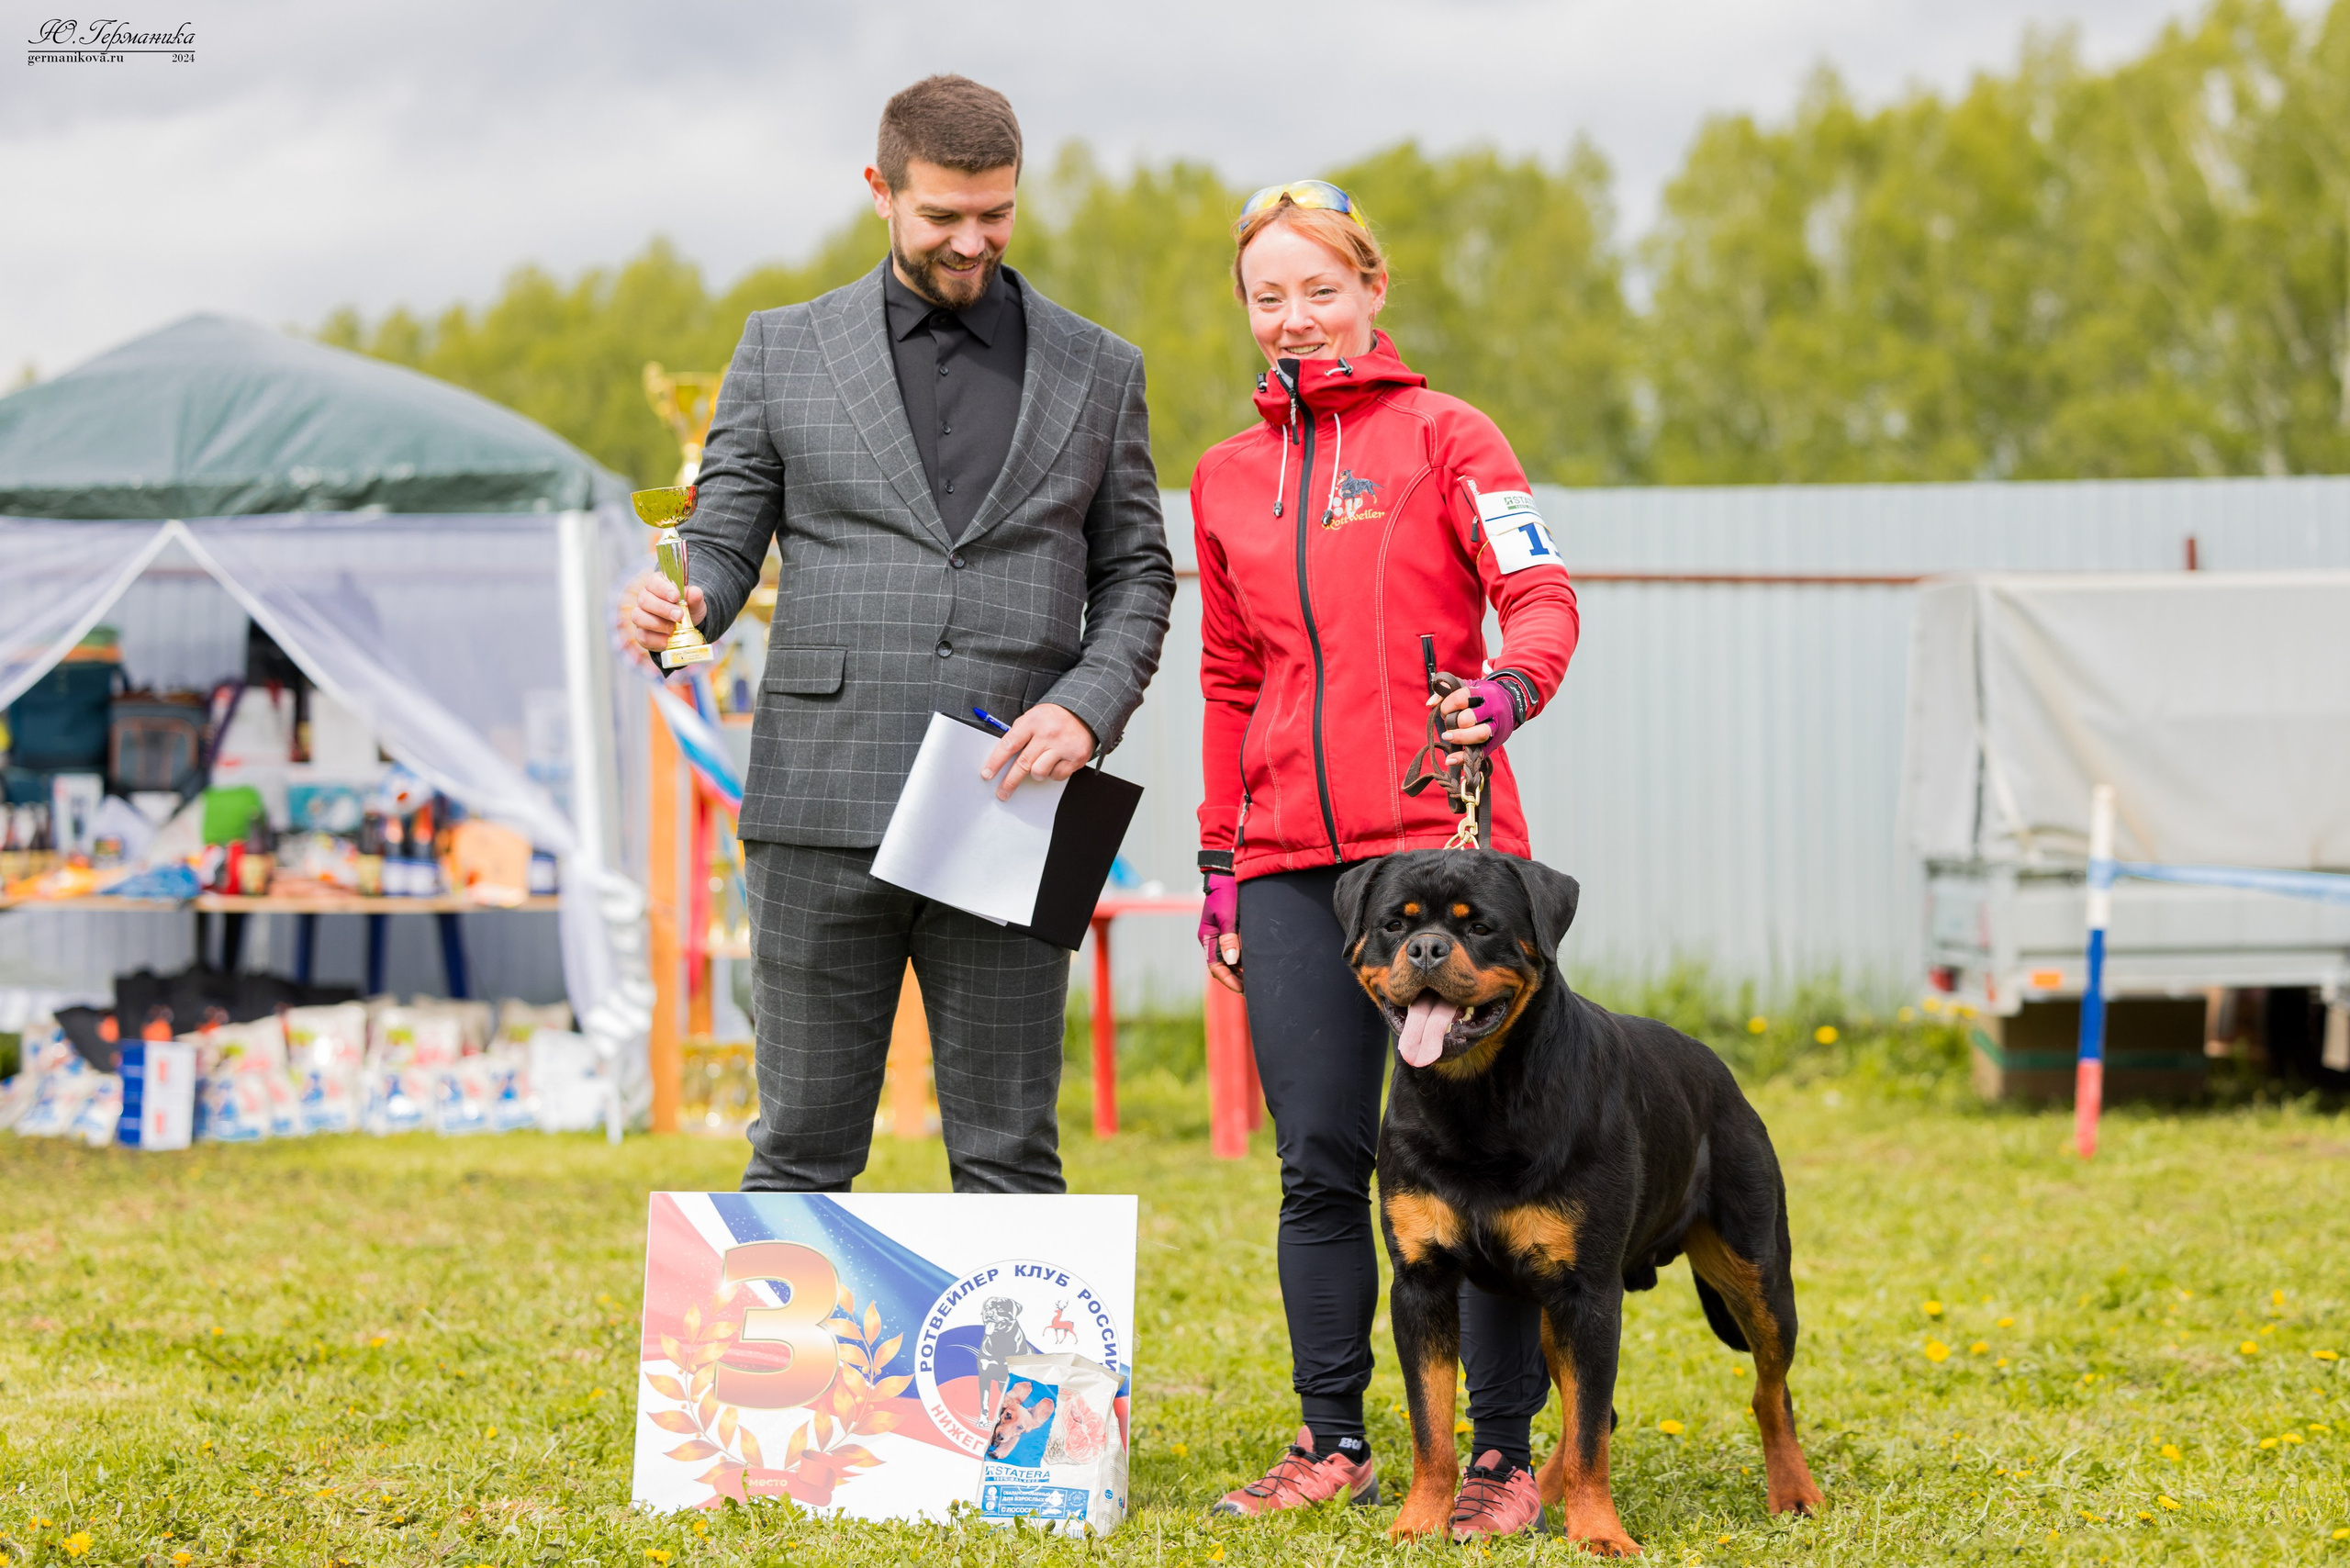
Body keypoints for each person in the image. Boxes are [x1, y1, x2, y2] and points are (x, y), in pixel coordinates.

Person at [626, 74, 1174, 1194]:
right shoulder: (779, 349)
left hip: (1020, 796)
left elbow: (1137, 574)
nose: (972, 241)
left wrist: (1087, 705)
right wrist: (680, 611)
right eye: (942, 216)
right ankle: (769, 1374)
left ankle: (1015, 1380)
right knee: (798, 1149)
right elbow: (722, 545)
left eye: (997, 214)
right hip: (818, 794)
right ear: (880, 191)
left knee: (1013, 1156)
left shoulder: (1101, 366)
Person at [1189, 180, 1580, 1540]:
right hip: (1294, 863)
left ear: (1372, 289)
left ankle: (1505, 1458)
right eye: (1268, 297)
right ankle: (1333, 1439)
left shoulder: (1449, 436)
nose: (1295, 319)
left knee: (1488, 1166)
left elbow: (1539, 595)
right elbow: (1228, 676)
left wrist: (1512, 688)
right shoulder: (1226, 477)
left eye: (1320, 290)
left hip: (1450, 852)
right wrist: (1216, 861)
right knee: (1320, 1158)